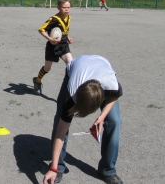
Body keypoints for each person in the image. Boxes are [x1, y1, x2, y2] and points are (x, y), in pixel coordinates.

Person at [43, 55, 123, 184]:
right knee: (61, 120)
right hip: (77, 67)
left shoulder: (111, 85)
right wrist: (52, 168)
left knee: (114, 121)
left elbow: (115, 96)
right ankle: (58, 166)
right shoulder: (71, 94)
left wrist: (102, 117)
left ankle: (107, 170)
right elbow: (61, 133)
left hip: (101, 65)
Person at [32, 0, 73, 95]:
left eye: (68, 7)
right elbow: (41, 29)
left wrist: (67, 37)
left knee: (72, 65)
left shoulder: (69, 17)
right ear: (58, 7)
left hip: (63, 45)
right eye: (64, 7)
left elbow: (63, 31)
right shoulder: (54, 19)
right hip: (52, 47)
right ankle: (37, 81)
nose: (67, 9)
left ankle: (70, 89)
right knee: (47, 68)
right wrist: (50, 39)